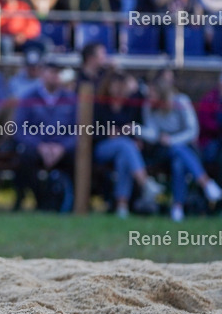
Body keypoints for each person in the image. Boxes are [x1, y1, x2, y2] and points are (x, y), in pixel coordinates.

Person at [141, 71, 222, 222]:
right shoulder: (148, 106)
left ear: (161, 93)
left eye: (152, 93)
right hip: (161, 151)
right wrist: (139, 130)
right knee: (176, 151)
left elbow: (193, 131)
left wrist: (172, 140)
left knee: (179, 161)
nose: (149, 96)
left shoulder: (181, 101)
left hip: (186, 148)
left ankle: (177, 208)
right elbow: (151, 131)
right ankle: (206, 183)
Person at [93, 71, 162, 217]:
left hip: (126, 150)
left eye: (122, 86)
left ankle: (122, 206)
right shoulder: (99, 105)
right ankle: (145, 183)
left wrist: (136, 139)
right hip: (101, 148)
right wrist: (107, 133)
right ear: (108, 87)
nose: (118, 90)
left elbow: (135, 127)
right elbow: (89, 131)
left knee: (124, 156)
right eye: (115, 86)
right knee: (126, 145)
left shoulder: (132, 105)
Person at [12, 64, 78, 211]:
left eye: (58, 72)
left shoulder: (71, 99)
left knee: (79, 158)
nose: (55, 76)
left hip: (62, 149)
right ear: (43, 74)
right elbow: (19, 129)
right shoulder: (28, 97)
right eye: (51, 72)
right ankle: (33, 199)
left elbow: (79, 130)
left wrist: (62, 147)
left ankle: (71, 203)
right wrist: (40, 146)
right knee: (23, 158)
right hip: (36, 147)